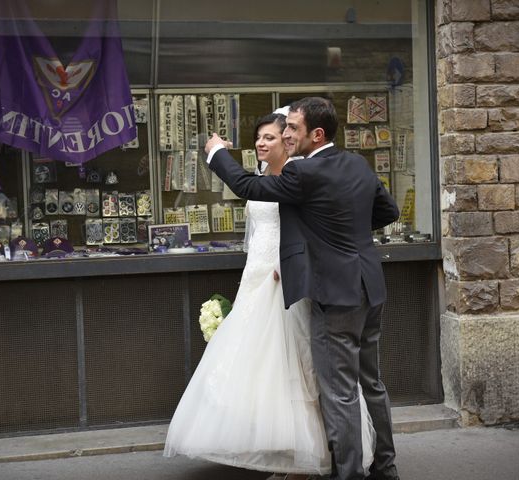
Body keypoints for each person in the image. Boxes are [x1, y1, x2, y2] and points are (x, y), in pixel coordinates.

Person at [164, 112, 375, 479]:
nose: (262, 143)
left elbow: (311, 228)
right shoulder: (266, 177)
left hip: (284, 278)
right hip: (256, 275)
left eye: (272, 137)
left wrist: (291, 262)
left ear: (288, 142)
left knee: (296, 366)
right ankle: (281, 453)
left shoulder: (298, 176)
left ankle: (304, 458)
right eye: (259, 137)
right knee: (260, 368)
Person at [204, 97, 400, 480]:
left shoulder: (304, 173)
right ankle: (386, 467)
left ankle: (349, 475)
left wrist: (216, 155)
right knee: (371, 383)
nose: (287, 133)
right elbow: (387, 211)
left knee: (339, 391)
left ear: (317, 134)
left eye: (293, 128)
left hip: (335, 295)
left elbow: (246, 184)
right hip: (369, 286)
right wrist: (345, 236)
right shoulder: (357, 164)